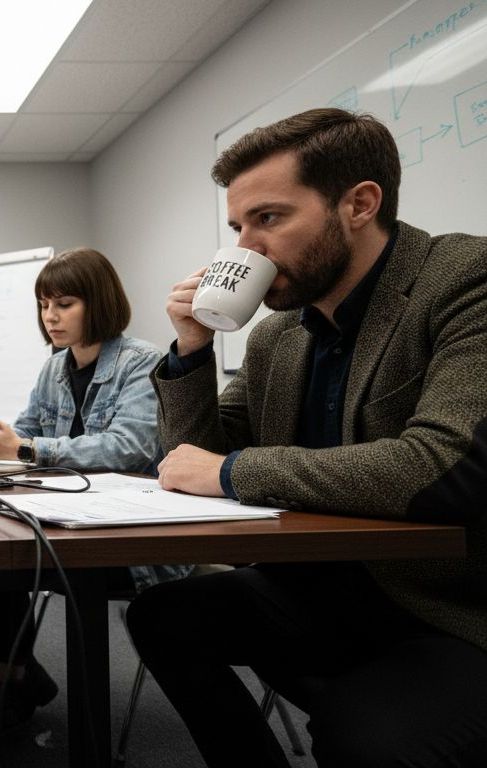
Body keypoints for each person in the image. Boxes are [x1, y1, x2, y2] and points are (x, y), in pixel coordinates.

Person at [128, 107, 487, 767]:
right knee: (161, 615)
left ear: (359, 204)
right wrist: (190, 350)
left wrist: (234, 473)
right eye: (238, 226)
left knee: (365, 739)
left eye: (269, 219)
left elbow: (444, 466)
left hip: (448, 609)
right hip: (323, 594)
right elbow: (189, 461)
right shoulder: (278, 335)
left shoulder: (464, 280)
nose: (245, 250)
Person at [0, 247, 187, 749]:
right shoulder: (55, 367)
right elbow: (25, 429)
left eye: (64, 303)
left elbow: (129, 448)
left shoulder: (144, 362)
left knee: (3, 567)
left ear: (99, 302)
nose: (51, 316)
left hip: (132, 538)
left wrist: (24, 448)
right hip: (64, 518)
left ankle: (7, 687)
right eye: (44, 305)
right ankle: (6, 683)